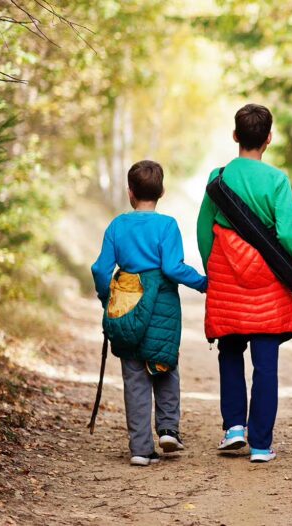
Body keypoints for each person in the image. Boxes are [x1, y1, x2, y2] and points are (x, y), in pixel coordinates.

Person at [196, 103, 292, 463]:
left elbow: (203, 232)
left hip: (227, 277)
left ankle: (233, 428)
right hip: (268, 282)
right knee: (265, 363)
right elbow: (289, 234)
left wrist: (212, 272)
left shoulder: (219, 178)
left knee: (230, 353)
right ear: (269, 139)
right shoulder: (276, 181)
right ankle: (260, 443)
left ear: (235, 136)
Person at [91, 160, 207, 466]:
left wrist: (108, 299)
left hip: (127, 305)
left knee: (134, 377)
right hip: (162, 306)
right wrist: (203, 283)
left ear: (130, 193)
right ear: (162, 191)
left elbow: (101, 269)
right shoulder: (167, 225)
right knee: (165, 365)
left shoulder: (117, 226)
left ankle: (141, 448)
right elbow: (172, 267)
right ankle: (168, 429)